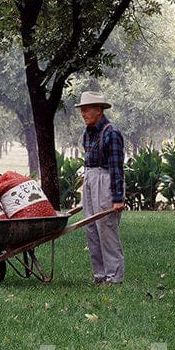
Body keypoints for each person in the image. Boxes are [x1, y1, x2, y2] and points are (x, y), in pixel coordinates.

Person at [75, 90, 126, 285]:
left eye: (86, 110)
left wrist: (118, 197)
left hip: (105, 180)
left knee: (106, 227)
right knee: (91, 227)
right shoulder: (88, 133)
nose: (83, 114)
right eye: (82, 110)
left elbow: (116, 168)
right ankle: (100, 275)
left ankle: (114, 277)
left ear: (98, 110)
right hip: (89, 177)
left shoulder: (111, 133)